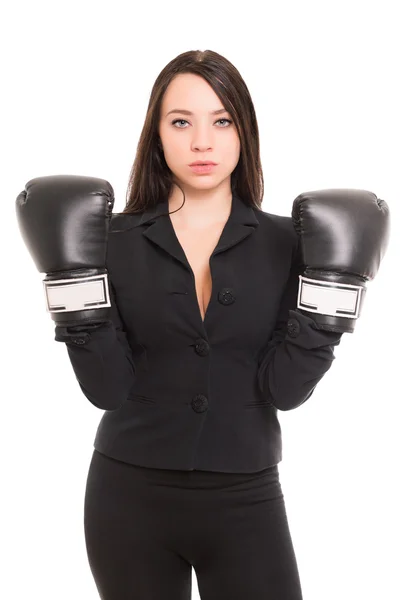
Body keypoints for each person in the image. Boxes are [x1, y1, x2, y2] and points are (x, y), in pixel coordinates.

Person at [15, 49, 390, 600]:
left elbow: (284, 391)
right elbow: (106, 388)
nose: (202, 143)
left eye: (222, 121)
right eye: (181, 122)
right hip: (127, 495)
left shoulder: (294, 243)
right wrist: (75, 286)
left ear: (244, 131)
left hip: (247, 498)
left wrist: (331, 299)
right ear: (157, 134)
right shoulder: (108, 240)